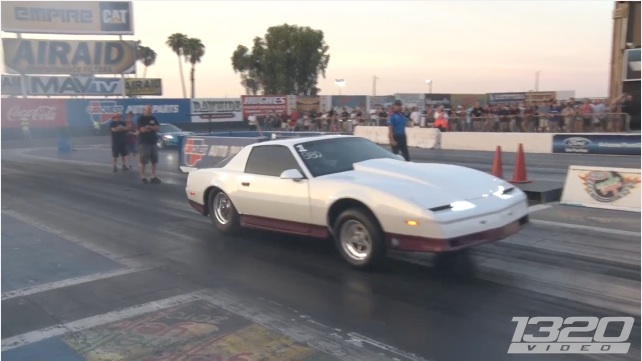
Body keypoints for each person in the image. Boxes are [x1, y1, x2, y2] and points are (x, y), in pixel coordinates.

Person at [137, 105, 161, 184]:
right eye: (148, 110)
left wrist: (149, 127)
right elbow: (143, 130)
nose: (150, 111)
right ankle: (143, 176)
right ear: (144, 110)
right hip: (144, 142)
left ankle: (153, 176)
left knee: (154, 160)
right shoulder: (141, 119)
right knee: (143, 160)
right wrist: (152, 128)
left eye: (150, 110)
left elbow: (158, 128)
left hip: (153, 142)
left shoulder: (153, 118)